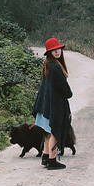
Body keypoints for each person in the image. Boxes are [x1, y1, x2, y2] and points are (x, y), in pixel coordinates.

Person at [32, 37, 72, 170]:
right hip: (53, 106)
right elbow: (64, 88)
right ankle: (52, 160)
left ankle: (46, 156)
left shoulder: (48, 64)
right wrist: (69, 94)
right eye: (54, 50)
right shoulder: (55, 67)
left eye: (58, 49)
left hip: (45, 105)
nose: (57, 52)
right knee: (55, 131)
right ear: (49, 52)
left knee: (48, 133)